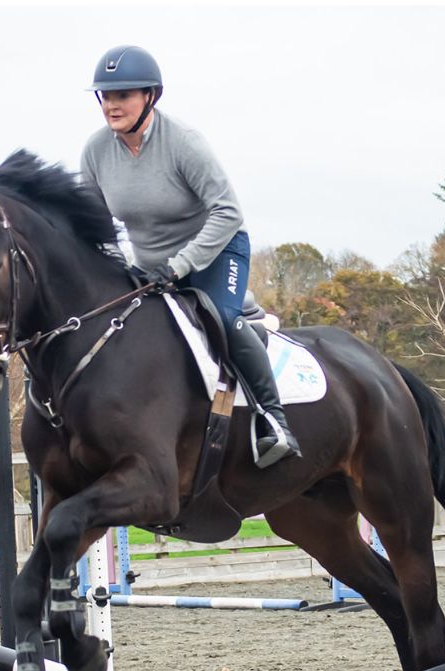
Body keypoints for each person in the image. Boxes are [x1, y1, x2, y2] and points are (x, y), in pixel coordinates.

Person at [79, 44, 301, 469]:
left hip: (216, 249)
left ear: (150, 96)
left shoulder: (183, 142)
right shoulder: (95, 152)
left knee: (221, 315)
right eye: (106, 96)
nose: (111, 105)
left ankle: (274, 420)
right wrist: (116, 266)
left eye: (122, 95)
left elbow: (228, 210)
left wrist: (181, 266)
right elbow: (97, 227)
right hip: (149, 268)